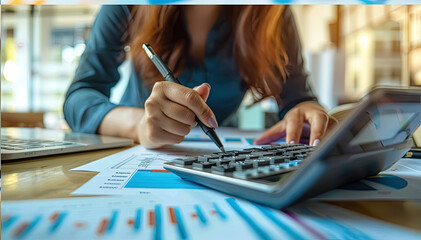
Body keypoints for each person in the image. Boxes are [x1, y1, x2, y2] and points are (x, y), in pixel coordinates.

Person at [64, 5, 338, 149]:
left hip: (221, 155)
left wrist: (306, 110)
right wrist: (139, 126)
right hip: (139, 151)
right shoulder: (128, 6)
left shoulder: (273, 15)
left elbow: (298, 98)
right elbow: (79, 98)